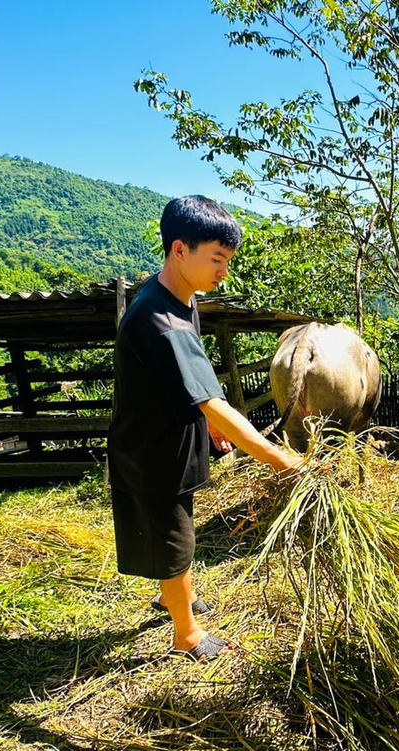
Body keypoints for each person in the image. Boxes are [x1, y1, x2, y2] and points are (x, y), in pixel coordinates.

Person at [108, 195, 303, 662]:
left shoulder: (181, 298)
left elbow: (183, 384)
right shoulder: (161, 319)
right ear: (180, 249)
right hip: (154, 449)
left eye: (227, 261)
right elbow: (212, 401)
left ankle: (171, 596)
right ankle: (187, 633)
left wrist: (205, 422)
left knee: (176, 525)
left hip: (173, 434)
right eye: (217, 259)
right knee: (176, 537)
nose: (224, 271)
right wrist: (282, 459)